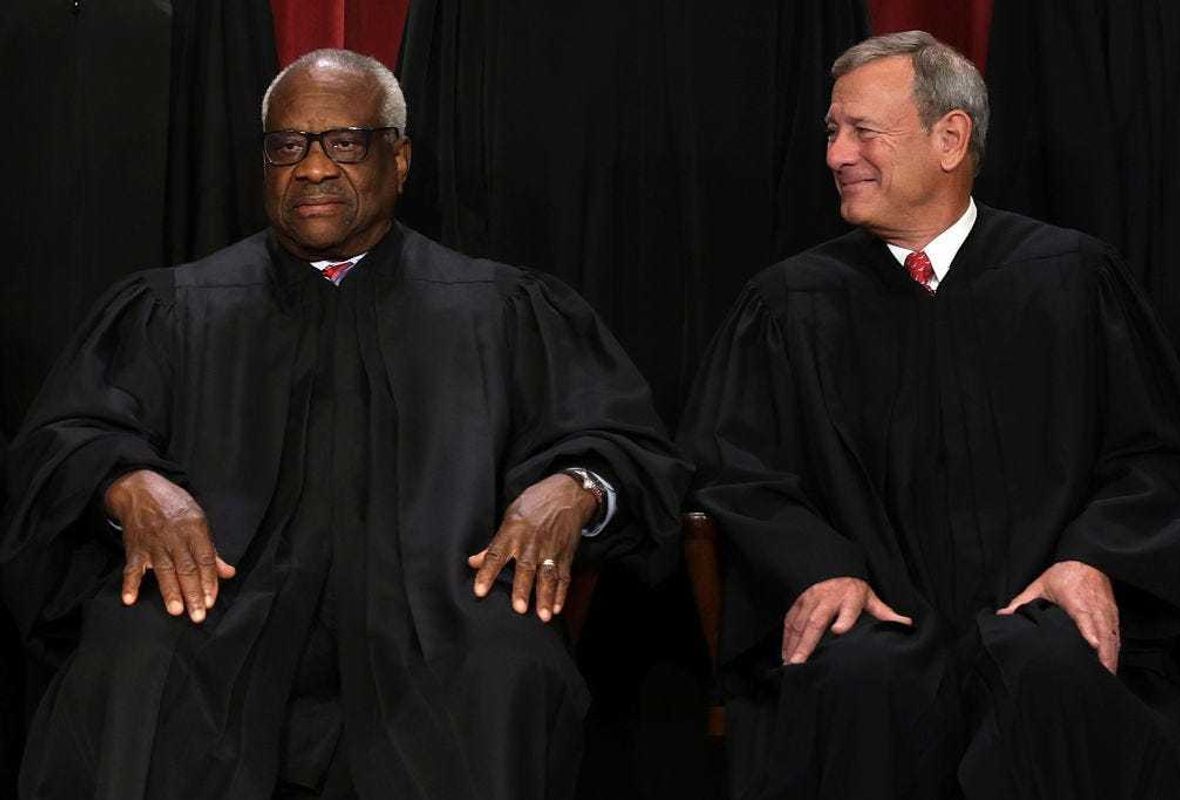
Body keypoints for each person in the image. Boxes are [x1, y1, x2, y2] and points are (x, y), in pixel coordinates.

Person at [0, 49, 689, 800]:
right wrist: (126, 483)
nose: (313, 168)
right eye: (287, 146)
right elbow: (62, 436)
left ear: (399, 159)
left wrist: (574, 486)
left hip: (440, 615)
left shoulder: (499, 311)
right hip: (214, 612)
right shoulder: (177, 309)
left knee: (506, 664)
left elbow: (629, 446)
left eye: (344, 143)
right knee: (131, 653)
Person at [678, 31, 1180, 800]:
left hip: (1039, 614)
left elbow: (1156, 452)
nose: (835, 155)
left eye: (862, 131)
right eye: (831, 131)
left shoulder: (1072, 279)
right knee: (856, 677)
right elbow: (733, 470)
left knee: (1058, 669)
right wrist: (819, 566)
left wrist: (1093, 557)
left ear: (950, 137)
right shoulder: (789, 303)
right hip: (873, 619)